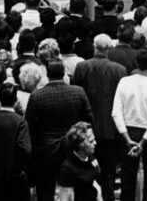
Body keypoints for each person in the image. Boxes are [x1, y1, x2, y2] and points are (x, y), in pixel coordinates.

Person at [26, 59, 95, 201]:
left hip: (45, 149)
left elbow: (30, 126)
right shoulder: (78, 92)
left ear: (47, 75)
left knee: (45, 190)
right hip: (73, 147)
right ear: (64, 73)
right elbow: (89, 119)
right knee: (77, 190)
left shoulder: (37, 96)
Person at [72, 34, 128, 201]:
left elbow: (77, 97)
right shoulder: (119, 70)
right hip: (111, 128)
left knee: (86, 173)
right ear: (109, 48)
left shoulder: (82, 67)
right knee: (108, 174)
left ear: (94, 47)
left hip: (86, 128)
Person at [112, 48, 147, 201]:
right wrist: (143, 142)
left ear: (136, 62)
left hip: (127, 130)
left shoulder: (124, 82)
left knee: (127, 180)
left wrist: (127, 138)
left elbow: (116, 112)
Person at [56, 121, 103, 201]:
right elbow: (65, 198)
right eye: (91, 141)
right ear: (80, 144)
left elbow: (96, 186)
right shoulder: (68, 168)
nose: (95, 143)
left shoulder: (91, 158)